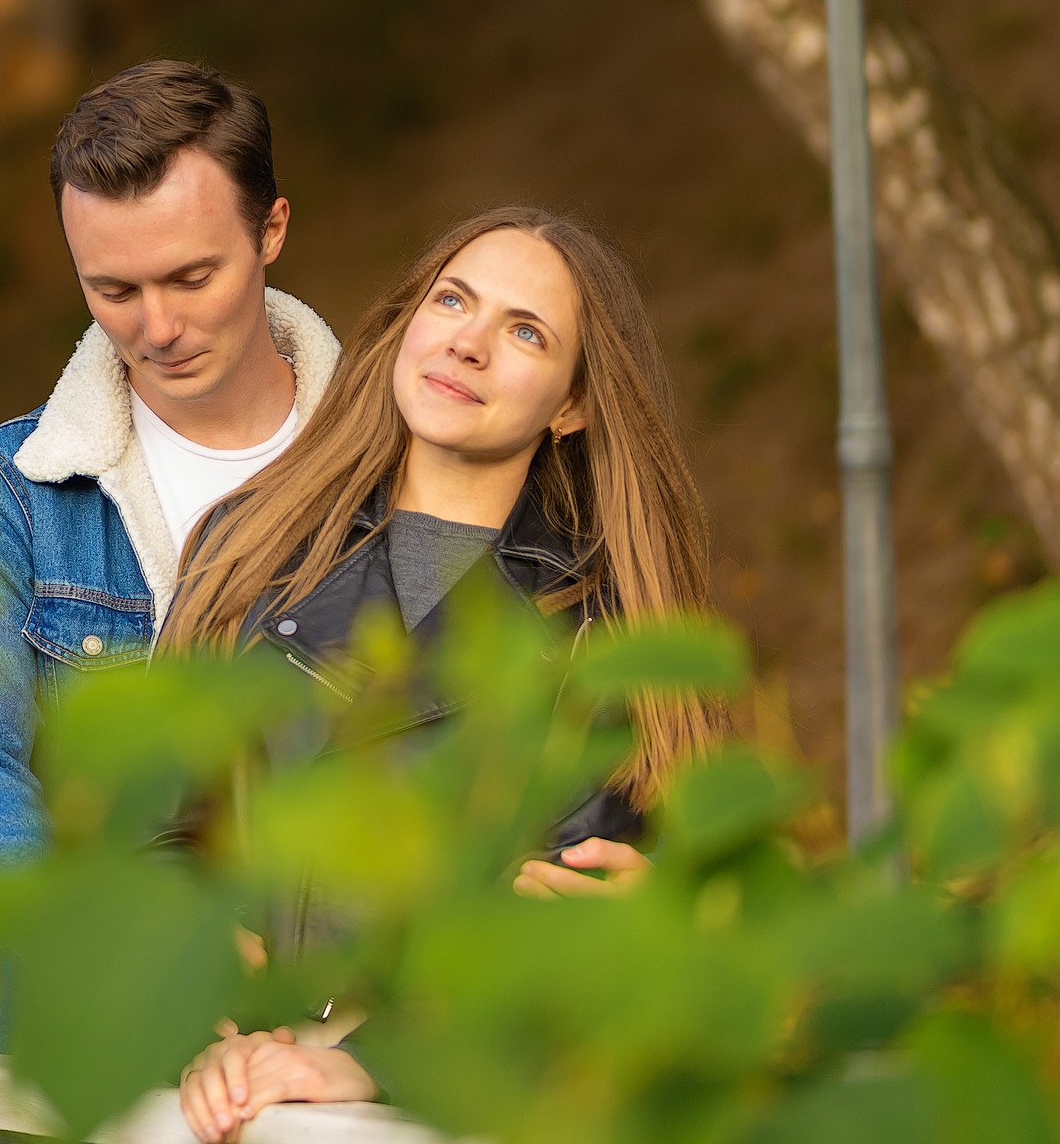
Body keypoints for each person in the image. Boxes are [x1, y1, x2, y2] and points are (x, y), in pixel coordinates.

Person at [162, 206, 727, 1136]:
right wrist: (205, 998)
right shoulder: (245, 545)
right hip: (229, 1094)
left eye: (525, 331)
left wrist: (365, 1064)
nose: (469, 343)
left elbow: (563, 905)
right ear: (408, 323)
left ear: (573, 403)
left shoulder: (605, 630)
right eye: (453, 299)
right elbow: (162, 826)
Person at [0, 60, 342, 877]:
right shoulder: (17, 490)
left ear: (271, 229)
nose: (158, 325)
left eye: (191, 276)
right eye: (113, 290)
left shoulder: (391, 451)